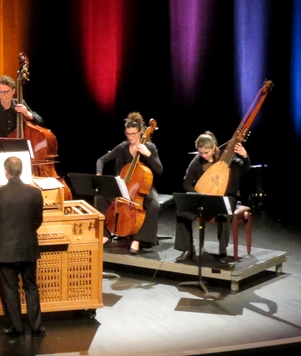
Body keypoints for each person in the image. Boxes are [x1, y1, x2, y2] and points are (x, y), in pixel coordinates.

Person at [0, 156, 46, 339]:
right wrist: (27, 232)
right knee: (31, 287)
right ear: (21, 171)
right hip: (28, 246)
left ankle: (17, 328)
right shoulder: (35, 193)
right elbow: (38, 220)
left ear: (6, 172)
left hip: (6, 248)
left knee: (11, 289)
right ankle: (36, 327)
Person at [174, 131, 251, 264]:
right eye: (201, 153)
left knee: (223, 212)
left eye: (206, 152)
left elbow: (245, 168)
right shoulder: (197, 160)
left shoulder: (226, 157)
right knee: (182, 212)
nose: (203, 156)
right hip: (203, 197)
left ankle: (222, 252)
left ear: (214, 147)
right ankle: (187, 249)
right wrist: (199, 195)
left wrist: (245, 157)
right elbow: (187, 182)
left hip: (227, 196)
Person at [95, 112, 163, 253]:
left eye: (133, 134)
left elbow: (159, 170)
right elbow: (101, 160)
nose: (131, 137)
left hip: (143, 187)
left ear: (141, 132)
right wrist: (99, 174)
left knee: (154, 205)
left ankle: (139, 239)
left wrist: (148, 155)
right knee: (100, 197)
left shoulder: (150, 147)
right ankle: (105, 234)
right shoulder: (123, 147)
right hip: (124, 186)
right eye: (128, 134)